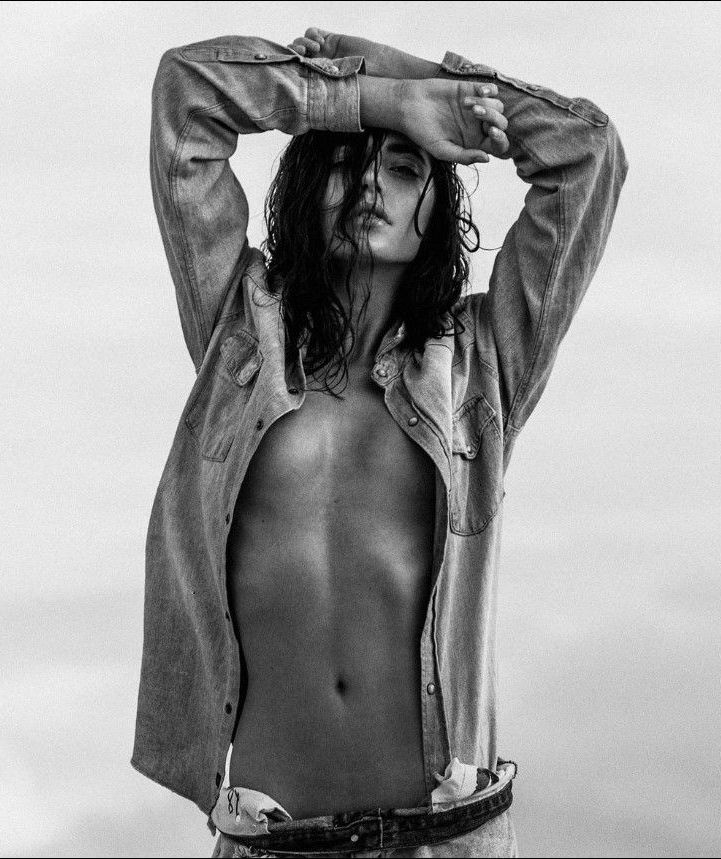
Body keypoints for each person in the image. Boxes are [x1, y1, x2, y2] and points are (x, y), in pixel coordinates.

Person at [132, 25, 628, 858]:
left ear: (437, 212)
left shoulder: (480, 367)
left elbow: (587, 152)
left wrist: (434, 91)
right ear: (305, 190)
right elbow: (188, 93)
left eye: (403, 168)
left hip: (446, 837)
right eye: (342, 161)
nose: (369, 184)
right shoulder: (239, 336)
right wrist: (380, 99)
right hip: (273, 840)